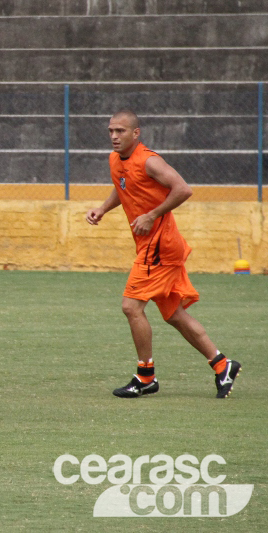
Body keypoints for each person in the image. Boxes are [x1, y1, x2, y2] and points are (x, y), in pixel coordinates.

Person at [85, 109, 241, 399]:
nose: (114, 136)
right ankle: (223, 365)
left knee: (131, 307)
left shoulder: (149, 160)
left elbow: (183, 189)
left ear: (136, 133)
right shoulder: (115, 160)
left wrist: (152, 214)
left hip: (159, 246)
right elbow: (123, 187)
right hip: (154, 247)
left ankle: (146, 376)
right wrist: (103, 209)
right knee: (174, 314)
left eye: (120, 131)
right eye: (110, 131)